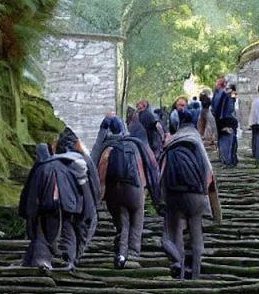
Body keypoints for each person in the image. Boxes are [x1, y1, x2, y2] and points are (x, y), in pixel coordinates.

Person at [160, 110, 221, 280]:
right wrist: (213, 207)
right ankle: (195, 274)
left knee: (175, 232)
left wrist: (161, 198)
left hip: (173, 194)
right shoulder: (195, 141)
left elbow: (161, 171)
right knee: (196, 234)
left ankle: (178, 268)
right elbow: (208, 172)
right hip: (195, 194)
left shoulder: (172, 142)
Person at [94, 115, 161, 269]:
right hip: (134, 189)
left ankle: (121, 254)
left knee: (123, 223)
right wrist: (150, 191)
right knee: (137, 221)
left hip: (115, 192)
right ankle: (134, 253)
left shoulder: (108, 149)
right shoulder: (135, 145)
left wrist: (101, 196)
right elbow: (149, 167)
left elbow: (101, 174)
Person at [18, 143, 86, 270]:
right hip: (67, 205)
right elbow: (74, 187)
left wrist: (30, 212)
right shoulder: (63, 166)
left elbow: (32, 193)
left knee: (41, 233)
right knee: (68, 231)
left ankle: (42, 260)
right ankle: (70, 260)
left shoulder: (40, 169)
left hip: (47, 206)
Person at [55, 127, 101, 261]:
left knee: (67, 229)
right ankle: (76, 256)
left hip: (63, 202)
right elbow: (95, 181)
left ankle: (69, 257)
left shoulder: (56, 160)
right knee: (83, 229)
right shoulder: (85, 159)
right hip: (83, 200)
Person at [213, 80, 239, 167]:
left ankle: (229, 160)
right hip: (228, 120)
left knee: (228, 141)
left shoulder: (228, 95)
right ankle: (231, 159)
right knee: (230, 140)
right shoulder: (227, 95)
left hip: (226, 120)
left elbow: (228, 109)